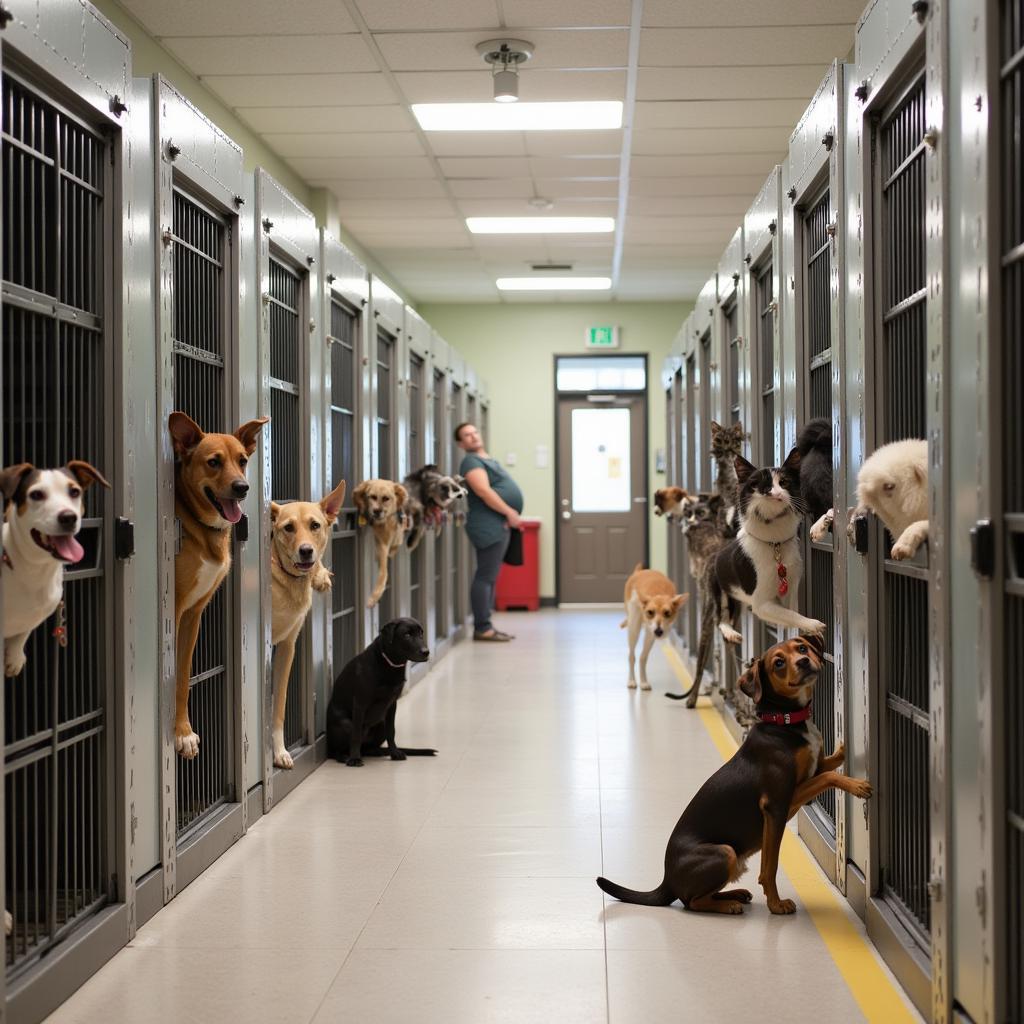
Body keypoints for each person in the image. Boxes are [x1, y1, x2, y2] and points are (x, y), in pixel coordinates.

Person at [455, 422, 524, 642]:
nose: (473, 436)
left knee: (490, 576)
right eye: (467, 435)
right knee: (485, 576)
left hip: (497, 523)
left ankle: (487, 626)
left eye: (474, 432)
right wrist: (509, 512)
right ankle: (482, 628)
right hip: (488, 525)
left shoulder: (486, 459)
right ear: (461, 443)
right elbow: (483, 491)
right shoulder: (471, 461)